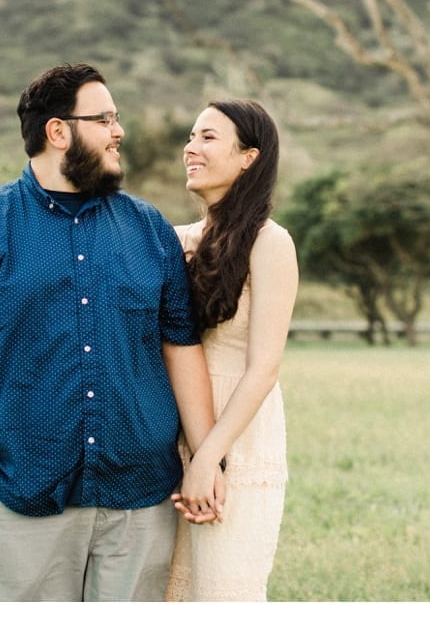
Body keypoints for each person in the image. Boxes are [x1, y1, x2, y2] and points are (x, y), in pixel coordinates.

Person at [0, 63, 221, 602]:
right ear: (58, 131)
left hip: (140, 497)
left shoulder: (150, 231)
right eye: (105, 119)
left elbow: (181, 349)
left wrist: (211, 459)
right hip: (17, 492)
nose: (119, 132)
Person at [166, 98, 298, 602]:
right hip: (173, 421)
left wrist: (208, 458)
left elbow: (264, 368)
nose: (190, 148)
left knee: (224, 590)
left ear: (249, 157)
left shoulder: (270, 243)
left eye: (208, 137)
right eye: (191, 136)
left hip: (238, 434)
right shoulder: (177, 240)